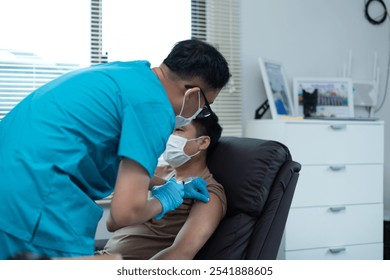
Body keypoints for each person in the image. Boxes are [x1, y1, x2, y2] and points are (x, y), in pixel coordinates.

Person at [0, 39, 231, 259]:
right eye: (205, 105)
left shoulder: (129, 75)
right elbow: (124, 212)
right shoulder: (154, 106)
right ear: (193, 93)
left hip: (15, 185)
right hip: (35, 203)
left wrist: (172, 188)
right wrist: (166, 199)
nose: (200, 112)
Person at [98, 111, 226, 259]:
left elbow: (179, 255)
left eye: (178, 130)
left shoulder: (207, 194)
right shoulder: (162, 175)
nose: (168, 137)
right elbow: (113, 224)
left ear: (203, 142)